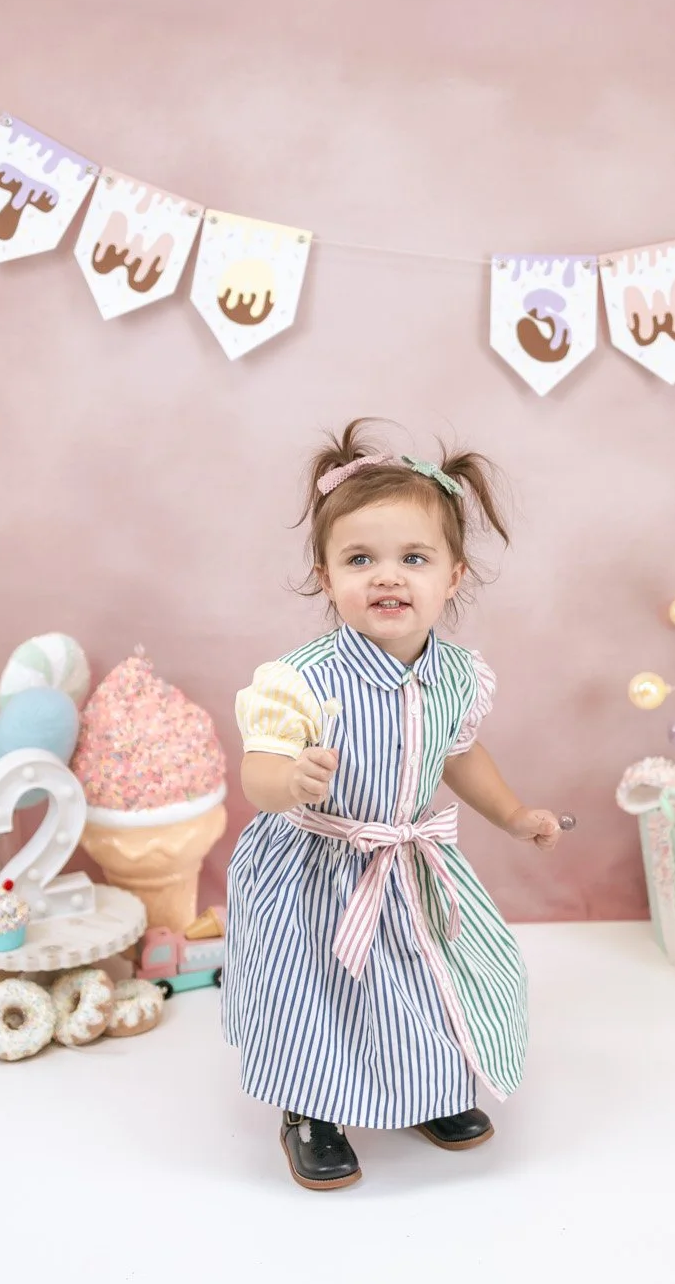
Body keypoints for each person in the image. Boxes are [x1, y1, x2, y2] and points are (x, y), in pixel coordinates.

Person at [221, 420, 561, 1191]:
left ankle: (427, 1087)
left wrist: (510, 815)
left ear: (453, 577)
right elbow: (257, 771)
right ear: (325, 575)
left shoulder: (454, 675)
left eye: (413, 558)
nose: (387, 577)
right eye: (359, 559)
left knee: (424, 972)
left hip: (407, 859)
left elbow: (458, 752)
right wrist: (291, 780)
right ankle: (309, 1108)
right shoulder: (301, 679)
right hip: (314, 865)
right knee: (316, 991)